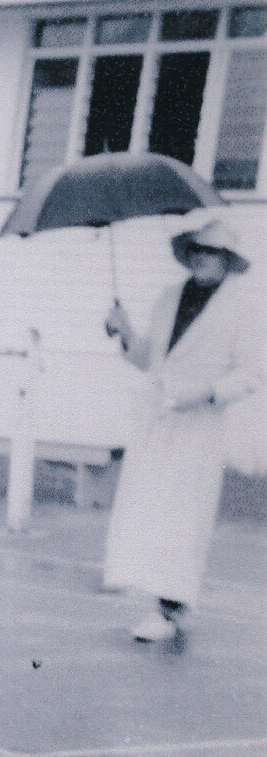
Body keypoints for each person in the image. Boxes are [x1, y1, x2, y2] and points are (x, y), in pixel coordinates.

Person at [101, 220, 261, 644]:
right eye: (196, 250)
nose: (201, 257)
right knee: (150, 507)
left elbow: (250, 373)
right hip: (159, 419)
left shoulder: (241, 308)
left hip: (199, 424)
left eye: (210, 251)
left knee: (184, 515)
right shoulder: (170, 297)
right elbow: (150, 359)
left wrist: (204, 393)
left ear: (227, 260)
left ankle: (170, 607)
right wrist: (125, 332)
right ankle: (157, 600)